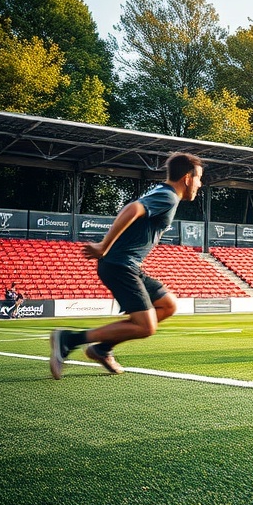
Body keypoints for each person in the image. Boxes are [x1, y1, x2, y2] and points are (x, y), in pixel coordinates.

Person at [49, 152, 204, 379]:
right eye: (199, 178)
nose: (200, 184)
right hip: (119, 265)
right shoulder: (168, 197)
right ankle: (69, 339)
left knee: (168, 305)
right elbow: (133, 209)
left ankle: (102, 349)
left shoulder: (164, 193)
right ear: (187, 178)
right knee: (146, 327)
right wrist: (103, 246)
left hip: (129, 265)